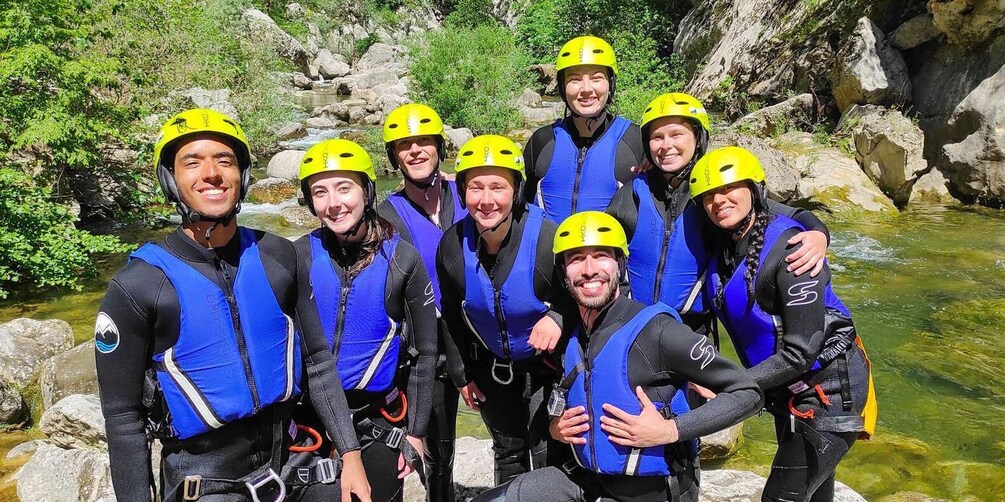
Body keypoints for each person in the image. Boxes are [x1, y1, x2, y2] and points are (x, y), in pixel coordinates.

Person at [95, 109, 369, 501]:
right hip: (205, 480)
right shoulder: (139, 285)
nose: (211, 174)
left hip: (291, 462)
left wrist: (351, 454)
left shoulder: (278, 255)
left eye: (224, 160)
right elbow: (123, 419)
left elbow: (318, 362)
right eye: (192, 162)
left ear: (242, 175)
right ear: (171, 179)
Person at [472, 211, 763, 502]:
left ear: (619, 264)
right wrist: (554, 429)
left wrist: (670, 430)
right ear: (563, 272)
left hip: (652, 491)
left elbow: (747, 391)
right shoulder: (570, 335)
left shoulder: (657, 331)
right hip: (588, 481)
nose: (588, 269)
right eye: (575, 259)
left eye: (601, 256)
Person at [689, 146, 878, 502]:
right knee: (814, 491)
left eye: (729, 189)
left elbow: (801, 351)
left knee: (781, 497)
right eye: (709, 195)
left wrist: (731, 383)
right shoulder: (727, 246)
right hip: (786, 390)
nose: (719, 200)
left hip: (829, 390)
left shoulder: (792, 250)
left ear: (755, 191)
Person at [607, 92, 831, 329]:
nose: (666, 145)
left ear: (698, 138)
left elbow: (787, 214)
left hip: (690, 331)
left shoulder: (715, 193)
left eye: (677, 134)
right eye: (657, 137)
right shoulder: (631, 194)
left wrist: (818, 234)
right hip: (633, 325)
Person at [294, 139, 438, 502]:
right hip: (312, 421)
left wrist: (416, 433)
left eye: (345, 188)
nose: (334, 203)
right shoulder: (296, 257)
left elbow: (425, 354)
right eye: (320, 192)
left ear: (366, 190)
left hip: (374, 420)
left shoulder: (401, 259)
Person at [436, 135, 573, 485]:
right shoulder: (452, 245)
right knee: (508, 452)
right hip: (492, 371)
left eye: (498, 187)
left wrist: (558, 317)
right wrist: (460, 373)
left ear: (516, 190)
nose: (485, 200)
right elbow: (452, 315)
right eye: (475, 187)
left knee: (546, 454)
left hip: (546, 369)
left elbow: (587, 299)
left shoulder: (548, 240)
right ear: (462, 190)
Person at [377, 103, 465, 502]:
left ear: (438, 148)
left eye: (423, 142)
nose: (415, 150)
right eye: (404, 145)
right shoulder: (386, 216)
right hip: (429, 348)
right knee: (440, 448)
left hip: (476, 337)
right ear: (394, 156)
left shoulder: (467, 191)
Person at [523, 36, 645, 223]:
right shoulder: (542, 141)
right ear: (563, 87)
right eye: (575, 79)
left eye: (596, 78)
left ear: (610, 83)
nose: (586, 89)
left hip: (609, 251)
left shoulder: (637, 141)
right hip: (550, 251)